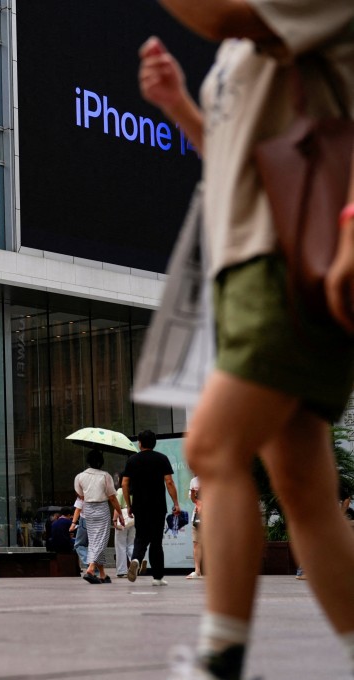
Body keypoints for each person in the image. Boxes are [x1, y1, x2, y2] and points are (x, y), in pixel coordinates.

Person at [140, 4, 354, 675]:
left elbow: (220, 13)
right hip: (242, 266)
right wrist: (178, 104)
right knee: (303, 485)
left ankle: (223, 659)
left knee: (210, 445)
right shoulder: (242, 46)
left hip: (289, 261)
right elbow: (237, 157)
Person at [123, 431, 179, 586]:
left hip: (139, 506)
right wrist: (176, 503)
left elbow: (124, 484)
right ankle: (157, 577)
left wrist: (129, 505)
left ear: (139, 443)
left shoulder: (132, 460)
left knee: (140, 536)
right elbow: (169, 482)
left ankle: (135, 559)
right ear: (154, 443)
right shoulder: (162, 458)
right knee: (156, 541)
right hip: (158, 506)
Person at [74, 449, 123, 584]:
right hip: (102, 508)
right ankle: (90, 569)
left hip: (88, 508)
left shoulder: (80, 476)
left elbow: (81, 496)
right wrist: (119, 513)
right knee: (100, 540)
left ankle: (102, 574)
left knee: (95, 540)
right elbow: (112, 497)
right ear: (101, 462)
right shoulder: (105, 476)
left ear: (88, 461)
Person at [115, 475, 137, 578]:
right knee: (131, 544)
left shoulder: (120, 491)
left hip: (123, 517)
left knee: (120, 545)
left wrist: (114, 520)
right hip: (134, 517)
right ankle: (136, 563)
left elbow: (117, 506)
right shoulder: (136, 491)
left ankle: (122, 570)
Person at [187, 476, 203, 580]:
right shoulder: (194, 480)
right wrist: (193, 494)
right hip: (198, 515)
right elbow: (193, 500)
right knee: (196, 543)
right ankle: (197, 570)